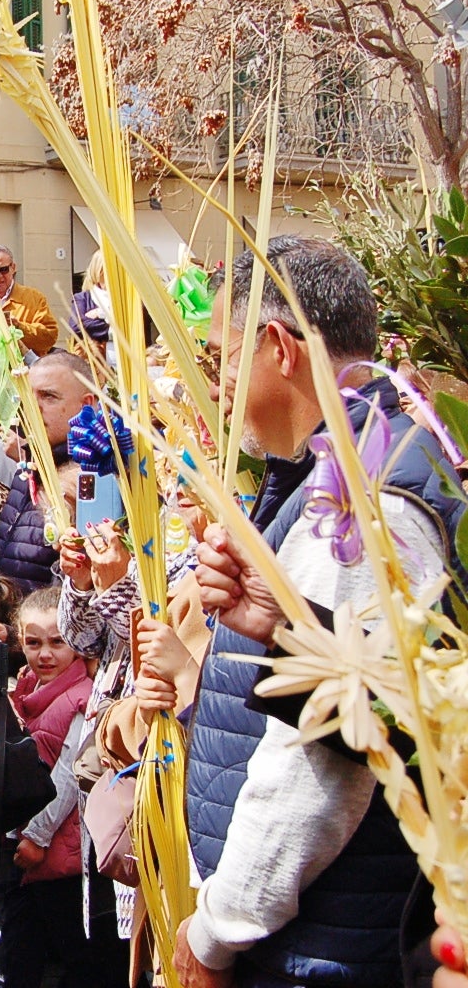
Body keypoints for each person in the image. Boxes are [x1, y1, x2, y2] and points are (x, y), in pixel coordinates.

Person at [178, 236, 464, 988]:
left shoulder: (367, 495)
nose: (219, 387)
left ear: (277, 346)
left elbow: (324, 761)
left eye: (223, 360)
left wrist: (219, 930)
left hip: (325, 940)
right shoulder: (355, 462)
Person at [0, 587, 100, 988]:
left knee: (73, 953)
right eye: (33, 642)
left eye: (57, 642)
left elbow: (70, 772)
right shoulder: (28, 687)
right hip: (33, 843)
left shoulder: (80, 696)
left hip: (59, 847)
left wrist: (37, 834)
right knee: (23, 949)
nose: (45, 654)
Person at [0, 351, 97, 594]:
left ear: (86, 405)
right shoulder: (29, 467)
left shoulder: (95, 478)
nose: (32, 408)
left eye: (49, 397)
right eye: (27, 396)